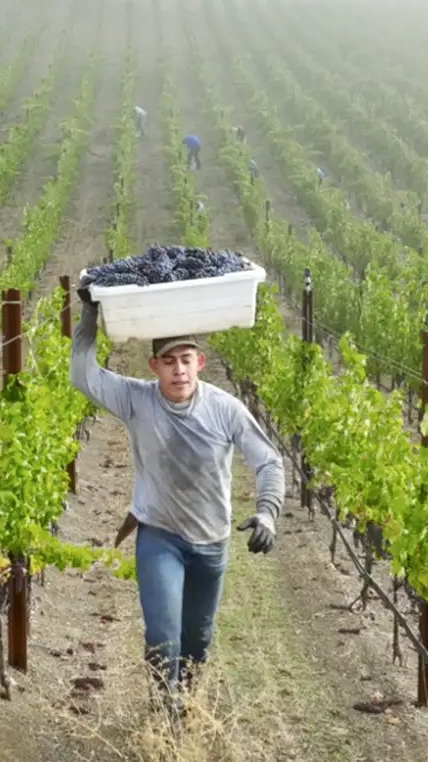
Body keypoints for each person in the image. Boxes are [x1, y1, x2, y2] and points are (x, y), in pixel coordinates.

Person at [70, 297, 283, 714]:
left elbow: (268, 460)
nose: (178, 370)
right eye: (168, 362)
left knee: (196, 642)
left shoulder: (224, 409)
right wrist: (90, 315)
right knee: (163, 637)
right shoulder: (136, 400)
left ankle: (183, 699)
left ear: (200, 362)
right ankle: (165, 713)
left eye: (186, 360)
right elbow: (83, 375)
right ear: (154, 367)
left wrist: (268, 512)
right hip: (159, 535)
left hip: (211, 541)